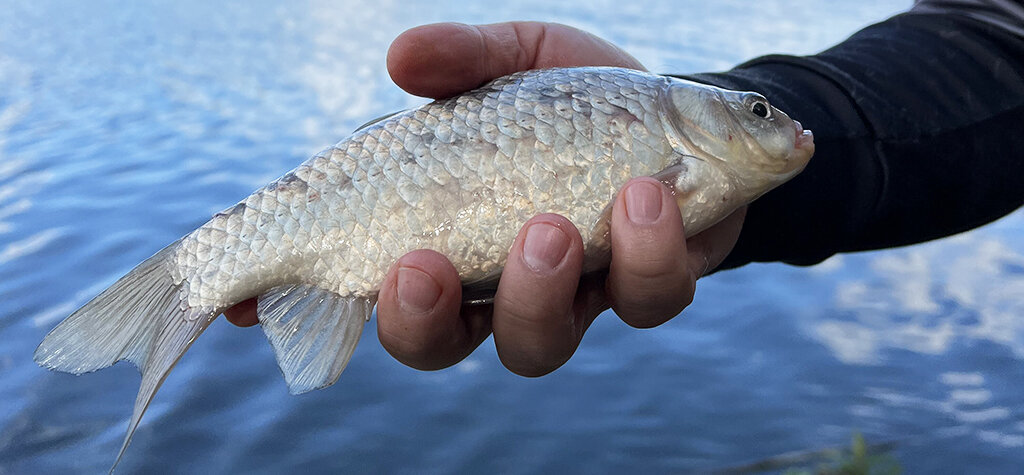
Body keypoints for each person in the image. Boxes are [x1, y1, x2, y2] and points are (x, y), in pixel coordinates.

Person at [224, 1, 1024, 377]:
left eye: (761, 114)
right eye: (754, 113)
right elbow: (990, 36)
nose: (779, 128)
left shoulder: (682, 140)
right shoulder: (676, 127)